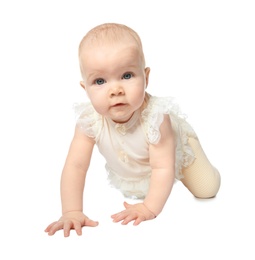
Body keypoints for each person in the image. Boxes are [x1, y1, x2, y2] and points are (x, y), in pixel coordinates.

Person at [45, 23, 221, 237]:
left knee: (207, 189)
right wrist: (71, 211)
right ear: (86, 89)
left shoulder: (156, 118)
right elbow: (75, 166)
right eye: (99, 81)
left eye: (127, 76)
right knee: (144, 190)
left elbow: (163, 167)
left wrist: (149, 209)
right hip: (138, 165)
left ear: (146, 77)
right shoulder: (89, 121)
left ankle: (199, 157)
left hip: (175, 151)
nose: (115, 90)